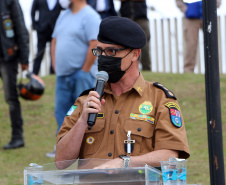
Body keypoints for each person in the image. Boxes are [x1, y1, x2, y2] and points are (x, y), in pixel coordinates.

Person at [55, 16, 190, 169]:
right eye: (99, 51)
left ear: (135, 54)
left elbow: (169, 155)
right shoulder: (86, 101)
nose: (104, 57)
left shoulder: (160, 99)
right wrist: (81, 122)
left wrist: (124, 162)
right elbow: (60, 161)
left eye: (111, 51)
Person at [46, 0, 101, 158]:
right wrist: (56, 66)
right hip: (63, 75)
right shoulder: (63, 15)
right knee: (61, 113)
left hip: (81, 75)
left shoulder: (90, 16)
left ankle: (86, 148)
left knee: (83, 111)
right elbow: (54, 40)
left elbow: (94, 43)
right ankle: (61, 147)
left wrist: (84, 70)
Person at [0, 0, 29, 149]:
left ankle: (17, 137)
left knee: (11, 97)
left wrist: (24, 57)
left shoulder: (10, 2)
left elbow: (20, 27)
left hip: (8, 57)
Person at [176, 0, 221, 73]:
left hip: (209, 14)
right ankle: (188, 71)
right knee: (191, 44)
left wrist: (215, 5)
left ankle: (214, 70)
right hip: (191, 16)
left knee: (212, 43)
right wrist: (186, 9)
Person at [31, 0, 62, 75]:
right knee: (39, 53)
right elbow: (33, 11)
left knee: (53, 53)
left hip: (55, 30)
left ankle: (53, 73)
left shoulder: (61, 1)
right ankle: (34, 74)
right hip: (42, 30)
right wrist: (35, 25)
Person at [119, 0, 151, 71]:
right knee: (125, 44)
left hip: (141, 18)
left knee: (145, 44)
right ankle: (127, 68)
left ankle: (146, 68)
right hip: (126, 17)